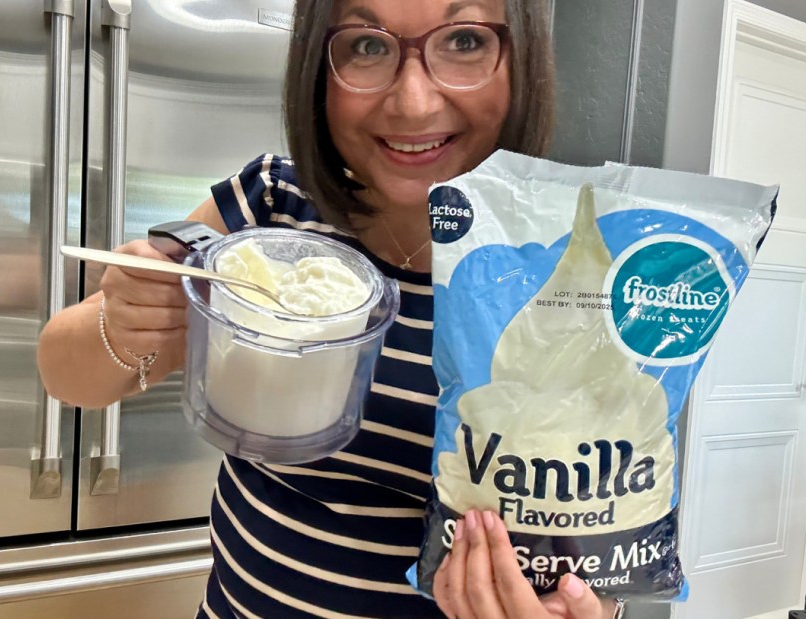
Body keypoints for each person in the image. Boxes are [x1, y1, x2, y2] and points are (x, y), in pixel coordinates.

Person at [38, 0, 622, 617]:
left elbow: (600, 549)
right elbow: (65, 373)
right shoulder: (271, 209)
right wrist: (127, 322)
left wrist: (586, 607)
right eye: (367, 47)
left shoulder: (573, 273)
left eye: (466, 41)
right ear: (319, 65)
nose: (414, 102)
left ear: (521, 59)